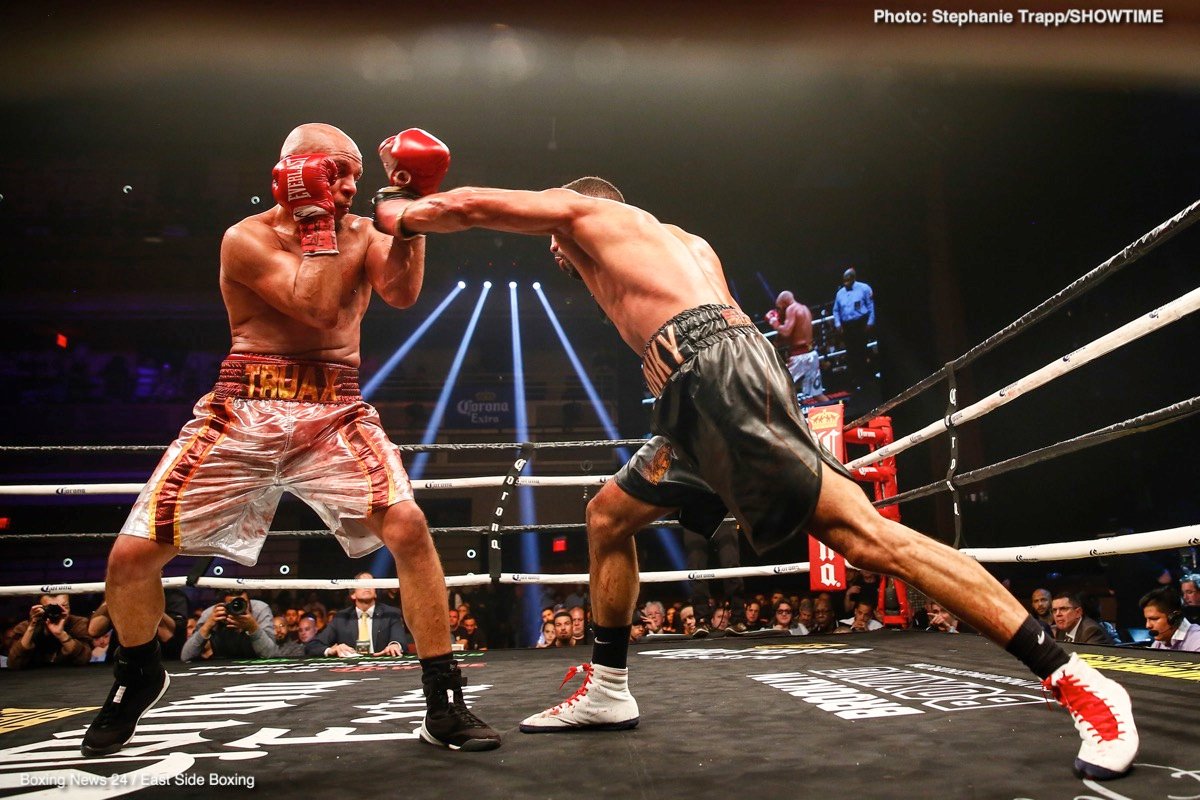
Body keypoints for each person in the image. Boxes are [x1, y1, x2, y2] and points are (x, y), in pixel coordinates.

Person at [397, 176, 1139, 779]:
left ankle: (1077, 681)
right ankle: (609, 690)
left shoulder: (585, 213)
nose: (556, 256)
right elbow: (736, 325)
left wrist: (405, 213)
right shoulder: (685, 243)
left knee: (863, 535)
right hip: (701, 392)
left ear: (575, 217)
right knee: (608, 516)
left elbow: (469, 206)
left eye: (556, 243)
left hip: (713, 379)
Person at [80, 123, 499, 757]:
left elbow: (402, 293)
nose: (353, 185)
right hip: (243, 405)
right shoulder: (244, 239)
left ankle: (443, 699)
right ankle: (137, 673)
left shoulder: (363, 229)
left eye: (359, 173)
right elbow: (319, 307)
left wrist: (408, 223)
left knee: (408, 526)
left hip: (334, 406)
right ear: (295, 172)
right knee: (129, 560)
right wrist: (315, 224)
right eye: (339, 171)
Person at [308, 571, 410, 657]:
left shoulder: (390, 613)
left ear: (375, 593)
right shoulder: (341, 617)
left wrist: (395, 645)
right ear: (353, 594)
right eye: (363, 584)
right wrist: (331, 650)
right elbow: (313, 645)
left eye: (371, 584)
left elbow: (400, 641)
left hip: (383, 668)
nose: (367, 587)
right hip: (350, 669)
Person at [767, 290, 828, 402]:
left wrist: (774, 322)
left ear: (784, 303)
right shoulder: (804, 309)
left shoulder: (791, 309)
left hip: (799, 358)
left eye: (780, 307)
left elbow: (786, 332)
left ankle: (784, 418)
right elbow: (794, 336)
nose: (780, 311)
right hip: (811, 354)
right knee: (817, 394)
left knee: (779, 388)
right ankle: (836, 413)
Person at [181, 591, 277, 662]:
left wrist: (253, 627)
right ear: (223, 605)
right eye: (232, 604)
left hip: (256, 665)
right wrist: (208, 625)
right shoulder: (212, 613)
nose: (237, 608)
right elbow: (186, 656)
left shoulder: (260, 610)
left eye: (243, 603)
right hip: (221, 666)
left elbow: (270, 654)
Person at [8, 594, 93, 669]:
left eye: (64, 606)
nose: (59, 611)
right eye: (52, 608)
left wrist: (61, 634)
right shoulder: (25, 627)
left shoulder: (79, 623)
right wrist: (31, 626)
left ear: (70, 606)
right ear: (39, 608)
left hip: (71, 679)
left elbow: (84, 659)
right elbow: (13, 664)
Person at [1140, 587, 1200, 652]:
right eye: (1147, 619)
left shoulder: (1197, 640)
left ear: (1174, 618)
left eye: (1154, 619)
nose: (1148, 625)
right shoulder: (1158, 643)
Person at [1050, 592, 1115, 645]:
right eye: (1054, 610)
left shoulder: (1091, 631)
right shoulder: (1061, 630)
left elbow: (1088, 660)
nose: (1058, 614)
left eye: (1063, 609)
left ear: (1078, 612)